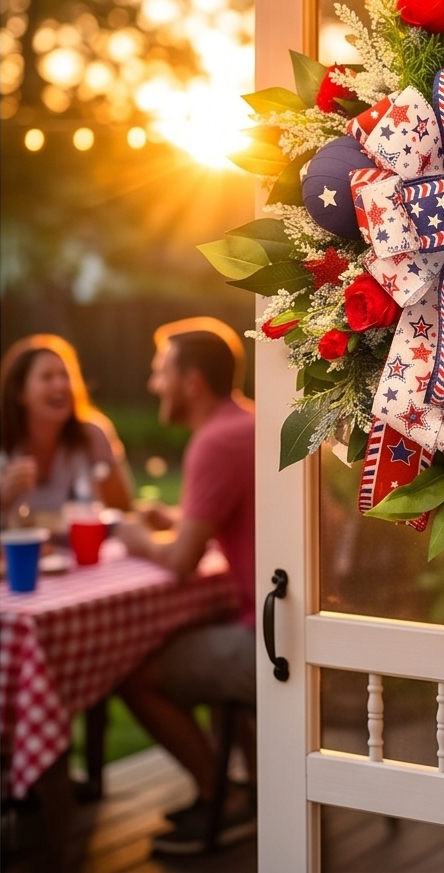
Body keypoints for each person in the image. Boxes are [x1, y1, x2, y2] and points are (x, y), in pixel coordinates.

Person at [115, 318, 257, 855]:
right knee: (203, 635)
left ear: (191, 381)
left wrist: (133, 537)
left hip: (271, 643)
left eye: (160, 373)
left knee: (133, 672)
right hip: (290, 623)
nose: (154, 386)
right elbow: (226, 514)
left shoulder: (214, 442)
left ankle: (223, 799)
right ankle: (251, 789)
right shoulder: (248, 422)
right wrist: (174, 514)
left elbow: (179, 563)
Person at [0, 334, 132, 527]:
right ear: (20, 392)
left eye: (65, 375)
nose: (60, 385)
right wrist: (3, 495)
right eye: (47, 377)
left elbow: (123, 510)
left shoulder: (92, 435)